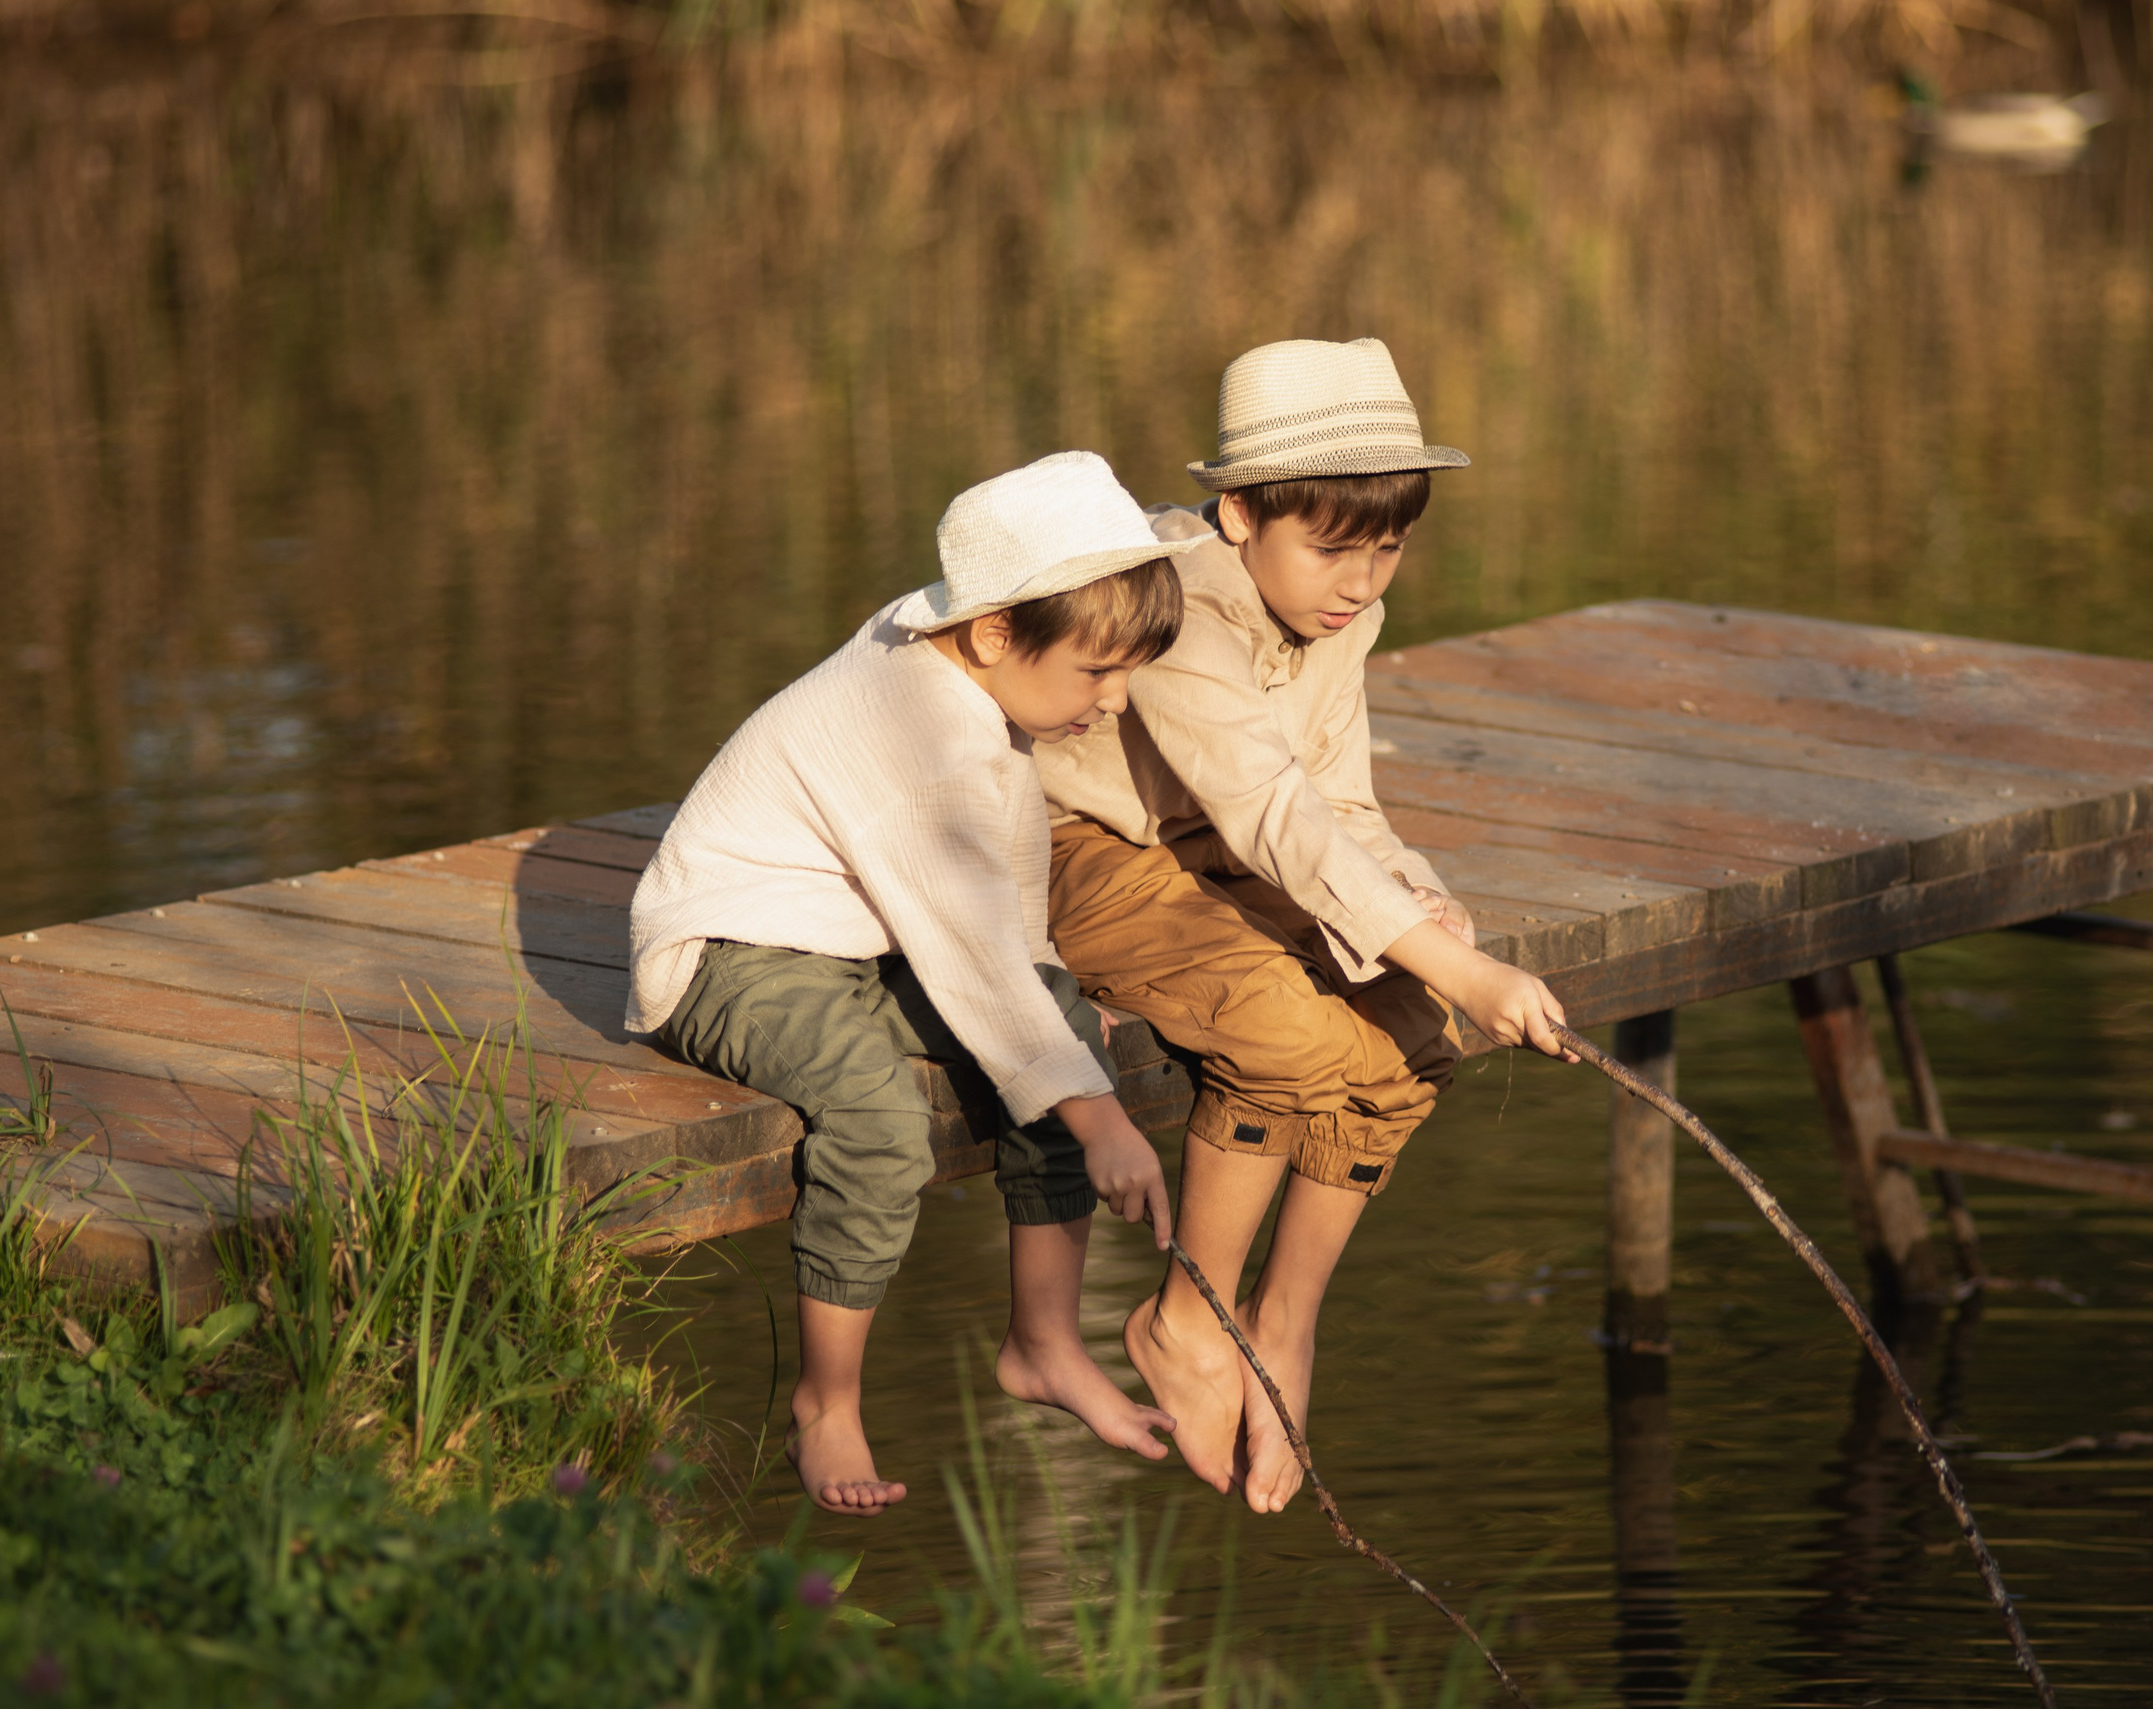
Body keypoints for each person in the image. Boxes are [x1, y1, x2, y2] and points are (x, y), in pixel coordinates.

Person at [1034, 339, 1576, 1516]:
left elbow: (1336, 801)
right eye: (1332, 548)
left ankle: (1283, 1321)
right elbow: (1268, 809)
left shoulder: (1339, 615)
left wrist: (1419, 904)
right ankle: (1188, 1315)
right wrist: (1465, 965)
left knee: (1413, 1031)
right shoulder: (1174, 600)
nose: (1362, 581)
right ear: (1239, 514)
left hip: (1234, 849)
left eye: (1388, 548)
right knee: (1287, 1030)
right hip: (1094, 852)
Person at [626, 451, 1207, 1514]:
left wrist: (1065, 1047)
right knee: (882, 1118)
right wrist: (1101, 1117)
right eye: (1096, 671)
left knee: (1062, 1039)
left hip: (865, 941)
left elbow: (999, 911)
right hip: (731, 950)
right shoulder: (920, 725)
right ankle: (826, 1401)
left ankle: (1044, 1342)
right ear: (995, 633)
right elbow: (976, 956)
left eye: (1128, 672)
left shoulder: (956, 656)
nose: (1116, 699)